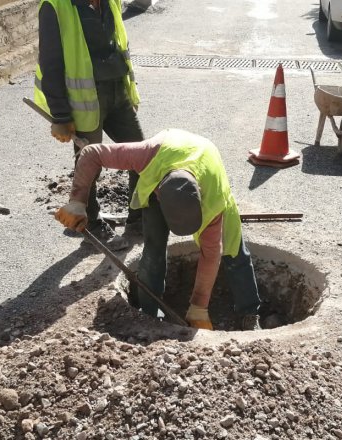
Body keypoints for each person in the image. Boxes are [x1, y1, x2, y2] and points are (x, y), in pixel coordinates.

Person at [53, 129, 262, 331]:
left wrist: (199, 306)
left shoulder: (214, 201)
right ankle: (149, 314)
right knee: (153, 252)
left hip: (206, 178)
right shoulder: (147, 154)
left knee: (234, 250)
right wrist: (77, 201)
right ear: (159, 194)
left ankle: (249, 311)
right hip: (163, 169)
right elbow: (92, 153)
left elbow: (211, 254)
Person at [34, 0, 144, 251]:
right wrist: (60, 116)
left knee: (141, 156)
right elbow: (50, 63)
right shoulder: (55, 7)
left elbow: (120, 45)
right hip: (84, 99)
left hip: (117, 91)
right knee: (88, 164)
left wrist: (130, 92)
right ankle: (92, 224)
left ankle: (138, 218)